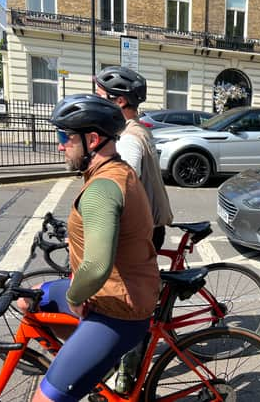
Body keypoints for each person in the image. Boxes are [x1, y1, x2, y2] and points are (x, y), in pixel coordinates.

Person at [28, 94, 161, 402]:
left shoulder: (103, 187)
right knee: (31, 300)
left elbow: (97, 267)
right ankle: (90, 365)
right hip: (109, 295)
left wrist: (76, 297)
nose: (60, 144)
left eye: (65, 136)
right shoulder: (115, 171)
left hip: (117, 310)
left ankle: (89, 363)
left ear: (92, 139)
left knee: (43, 400)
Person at [94, 66, 173, 250]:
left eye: (100, 96)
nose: (96, 101)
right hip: (151, 225)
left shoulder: (129, 138)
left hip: (142, 231)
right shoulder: (139, 129)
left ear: (120, 101)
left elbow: (122, 189)